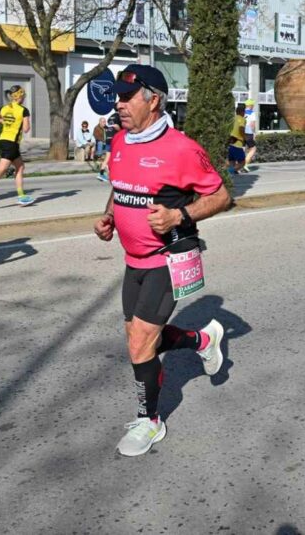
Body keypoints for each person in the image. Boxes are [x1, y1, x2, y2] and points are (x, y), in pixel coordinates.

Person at [92, 64, 231, 457]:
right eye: (117, 98)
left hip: (167, 258)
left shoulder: (181, 148)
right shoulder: (121, 140)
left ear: (153, 101)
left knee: (140, 344)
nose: (118, 104)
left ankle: (150, 421)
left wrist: (178, 216)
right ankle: (203, 340)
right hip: (133, 259)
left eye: (126, 97)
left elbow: (221, 195)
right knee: (137, 337)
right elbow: (120, 187)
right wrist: (109, 216)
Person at [96, 112, 120, 182]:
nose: (104, 122)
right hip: (112, 143)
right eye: (102, 121)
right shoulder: (112, 126)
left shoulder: (107, 127)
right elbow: (119, 129)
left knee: (107, 159)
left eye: (104, 121)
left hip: (108, 142)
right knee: (115, 158)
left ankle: (101, 173)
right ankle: (112, 173)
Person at [227, 104, 246, 175]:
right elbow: (241, 129)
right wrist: (244, 138)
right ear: (242, 112)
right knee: (242, 162)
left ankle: (231, 174)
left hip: (230, 143)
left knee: (232, 160)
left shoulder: (233, 118)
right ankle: (228, 171)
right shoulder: (242, 119)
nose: (244, 113)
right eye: (244, 112)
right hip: (237, 143)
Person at [241, 98, 257, 173]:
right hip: (248, 133)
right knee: (253, 149)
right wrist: (254, 133)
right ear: (250, 105)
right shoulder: (252, 113)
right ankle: (245, 165)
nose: (253, 106)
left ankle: (239, 165)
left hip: (241, 133)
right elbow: (252, 125)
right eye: (253, 105)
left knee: (242, 149)